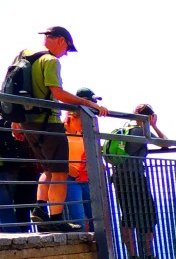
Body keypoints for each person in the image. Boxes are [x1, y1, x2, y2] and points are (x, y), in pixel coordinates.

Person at [10, 26, 108, 231]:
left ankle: (39, 211)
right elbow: (58, 93)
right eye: (67, 49)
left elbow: (12, 87)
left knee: (48, 169)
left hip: (28, 122)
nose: (65, 54)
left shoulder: (25, 55)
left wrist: (15, 119)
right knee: (60, 172)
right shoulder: (51, 61)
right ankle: (56, 219)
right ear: (61, 41)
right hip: (48, 122)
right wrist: (88, 104)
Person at [111, 103, 167, 259]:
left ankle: (133, 256)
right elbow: (165, 143)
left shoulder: (125, 131)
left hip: (119, 178)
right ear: (150, 117)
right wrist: (154, 126)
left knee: (127, 216)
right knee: (149, 214)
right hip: (135, 178)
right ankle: (149, 255)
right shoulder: (143, 131)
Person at [62, 88, 101, 230]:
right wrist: (67, 168)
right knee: (77, 218)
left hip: (87, 177)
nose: (94, 106)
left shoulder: (87, 130)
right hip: (69, 178)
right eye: (92, 102)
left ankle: (96, 251)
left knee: (97, 219)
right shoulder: (61, 129)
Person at [0, 118, 38, 232]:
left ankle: (17, 235)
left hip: (13, 167)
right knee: (6, 207)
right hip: (12, 166)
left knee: (7, 207)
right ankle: (17, 235)